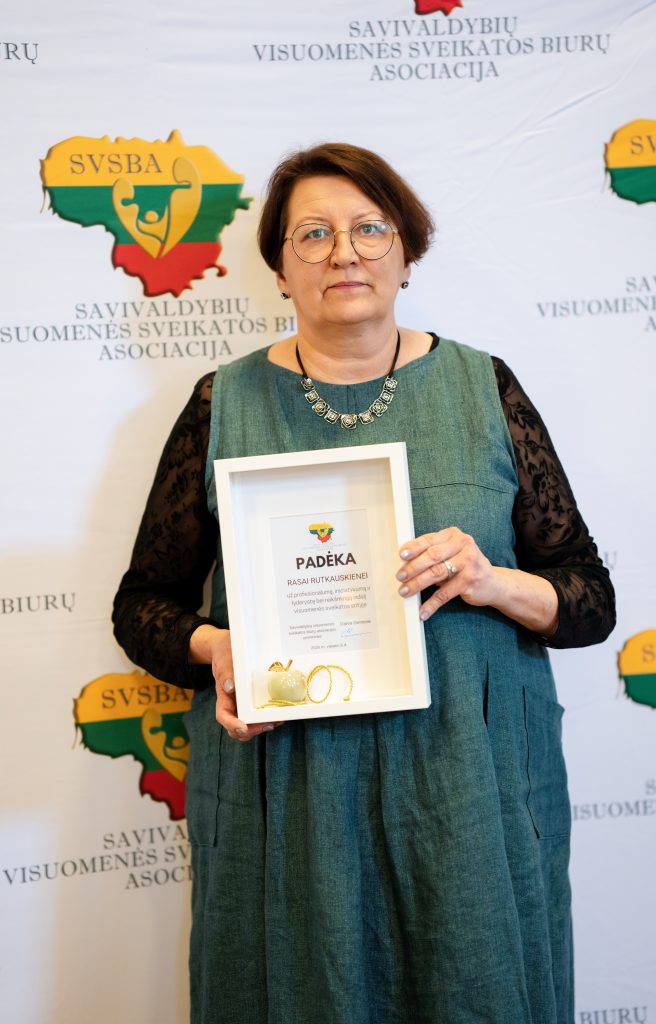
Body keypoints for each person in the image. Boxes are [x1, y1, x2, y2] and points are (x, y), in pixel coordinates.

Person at [113, 142, 615, 1024]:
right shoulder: (220, 403)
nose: (343, 252)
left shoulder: (483, 386)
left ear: (406, 254)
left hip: (468, 791)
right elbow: (141, 607)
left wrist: (491, 580)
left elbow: (589, 600)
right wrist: (219, 648)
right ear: (279, 270)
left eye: (369, 228)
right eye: (312, 234)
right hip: (287, 792)